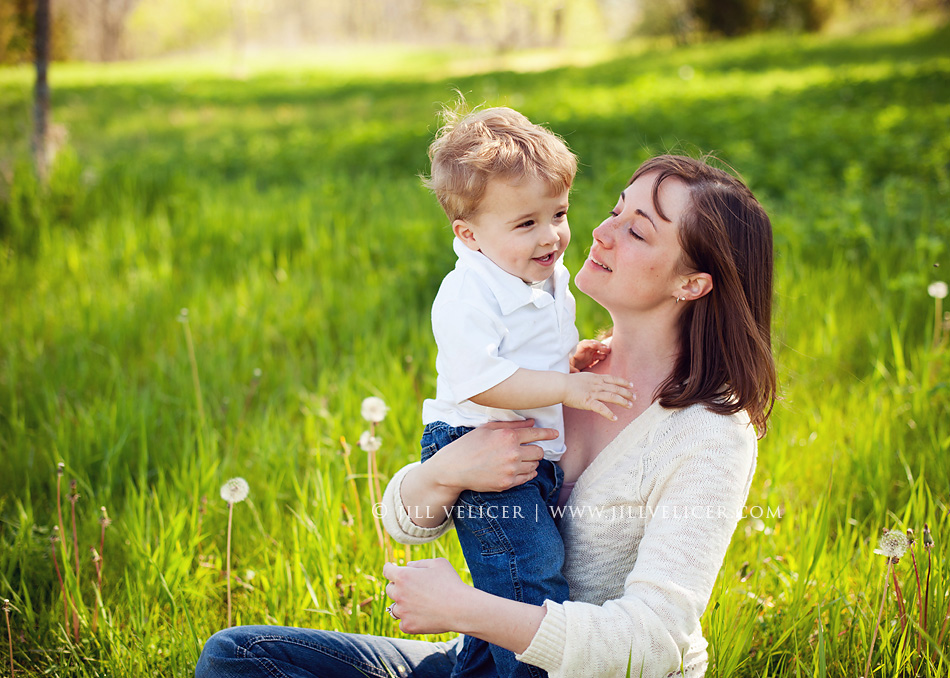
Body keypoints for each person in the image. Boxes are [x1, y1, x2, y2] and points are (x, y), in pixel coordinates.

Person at [194, 153, 777, 678]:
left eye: (637, 231)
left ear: (693, 282)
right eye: (614, 211)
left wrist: (465, 609)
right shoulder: (554, 372)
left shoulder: (709, 434)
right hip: (483, 660)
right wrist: (447, 471)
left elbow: (653, 643)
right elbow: (403, 518)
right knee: (238, 657)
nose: (600, 233)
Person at [417, 105, 635, 678]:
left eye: (558, 213)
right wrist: (567, 385)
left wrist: (571, 358)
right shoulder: (469, 294)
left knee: (520, 582)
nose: (553, 236)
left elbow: (531, 353)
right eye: (526, 224)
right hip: (477, 444)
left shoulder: (539, 271)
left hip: (520, 445)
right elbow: (480, 381)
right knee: (527, 583)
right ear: (468, 233)